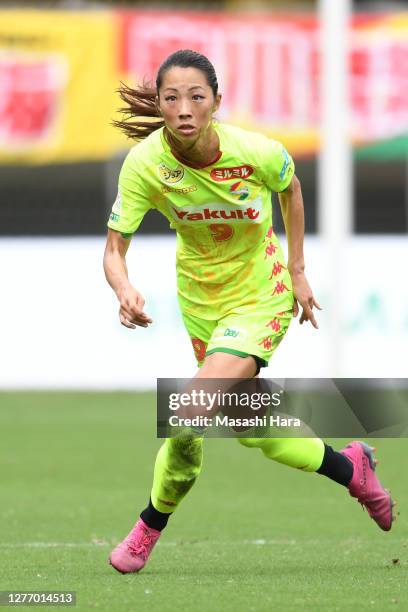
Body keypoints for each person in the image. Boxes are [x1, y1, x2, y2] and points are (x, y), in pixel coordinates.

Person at [103, 49, 395, 575]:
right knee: (250, 424)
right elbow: (113, 249)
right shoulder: (146, 164)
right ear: (161, 105)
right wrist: (123, 288)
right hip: (200, 303)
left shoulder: (255, 151)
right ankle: (351, 466)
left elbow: (291, 189)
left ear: (216, 101)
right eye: (172, 98)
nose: (185, 108)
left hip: (262, 293)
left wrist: (299, 270)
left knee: (188, 414)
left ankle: (148, 526)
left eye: (197, 97)